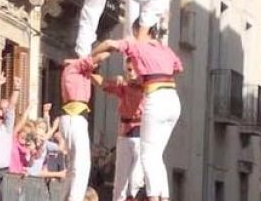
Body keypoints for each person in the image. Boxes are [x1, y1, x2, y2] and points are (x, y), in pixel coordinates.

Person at [92, 17, 183, 201]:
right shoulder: (165, 48)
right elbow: (177, 68)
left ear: (138, 30)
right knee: (157, 155)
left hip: (156, 98)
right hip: (173, 99)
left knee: (149, 155)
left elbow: (109, 44)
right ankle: (163, 197)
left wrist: (89, 57)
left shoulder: (137, 45)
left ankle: (153, 197)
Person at [57, 52, 108, 201]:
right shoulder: (74, 68)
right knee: (81, 165)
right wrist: (112, 47)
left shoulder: (79, 72)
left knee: (74, 166)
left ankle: (67, 197)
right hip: (75, 118)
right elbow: (96, 59)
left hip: (73, 119)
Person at [95, 61, 144, 201]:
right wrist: (90, 71)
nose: (132, 73)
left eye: (136, 70)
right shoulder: (123, 87)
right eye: (129, 70)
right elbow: (103, 83)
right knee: (120, 182)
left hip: (142, 136)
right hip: (125, 135)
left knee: (136, 180)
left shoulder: (148, 88)